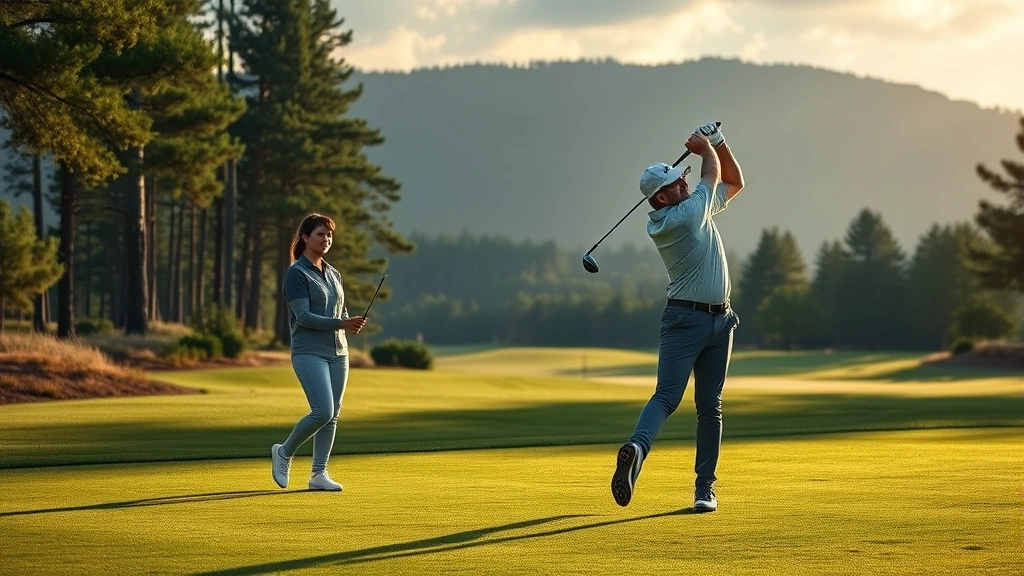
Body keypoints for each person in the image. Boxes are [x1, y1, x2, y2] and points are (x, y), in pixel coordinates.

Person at [610, 121, 745, 512]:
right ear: (662, 198)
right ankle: (645, 454)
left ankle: (699, 485)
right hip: (686, 321)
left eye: (683, 179)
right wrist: (706, 148)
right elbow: (712, 172)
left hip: (721, 321)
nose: (685, 183)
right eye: (677, 183)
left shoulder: (689, 210)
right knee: (671, 397)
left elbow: (734, 182)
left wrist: (718, 143)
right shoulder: (683, 216)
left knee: (705, 404)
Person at [271, 213, 367, 491]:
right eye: (320, 234)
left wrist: (350, 322)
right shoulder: (296, 274)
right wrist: (340, 323)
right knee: (322, 411)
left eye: (329, 235)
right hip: (308, 352)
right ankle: (284, 452)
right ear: (305, 237)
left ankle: (318, 474)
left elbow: (339, 310)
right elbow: (303, 316)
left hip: (339, 351)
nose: (326, 239)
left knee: (333, 413)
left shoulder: (334, 273)